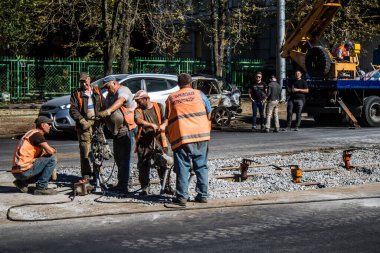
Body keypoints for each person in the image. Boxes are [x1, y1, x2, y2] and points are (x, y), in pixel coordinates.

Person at [162, 73, 212, 207]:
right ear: (191, 83)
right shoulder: (199, 94)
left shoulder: (171, 98)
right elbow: (209, 112)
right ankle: (202, 195)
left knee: (183, 167)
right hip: (201, 135)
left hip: (183, 137)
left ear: (178, 85)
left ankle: (182, 197)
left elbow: (167, 118)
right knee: (201, 165)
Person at [97, 76, 137, 193]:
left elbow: (120, 101)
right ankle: (122, 183)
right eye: (105, 88)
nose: (107, 89)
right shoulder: (109, 95)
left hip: (126, 128)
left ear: (114, 83)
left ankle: (125, 185)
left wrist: (108, 111)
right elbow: (104, 107)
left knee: (124, 158)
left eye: (108, 86)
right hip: (117, 130)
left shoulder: (123, 90)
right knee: (119, 158)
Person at [133, 90, 173, 196]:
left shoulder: (159, 106)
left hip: (159, 140)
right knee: (143, 165)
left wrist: (163, 125)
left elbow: (166, 119)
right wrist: (151, 125)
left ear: (146, 99)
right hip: (144, 141)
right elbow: (138, 120)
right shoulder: (138, 110)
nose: (137, 103)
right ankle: (144, 188)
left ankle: (166, 186)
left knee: (163, 164)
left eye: (139, 101)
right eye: (136, 101)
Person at [69, 72, 104, 183]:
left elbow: (103, 104)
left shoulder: (97, 91)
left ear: (89, 80)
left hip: (97, 124)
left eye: (85, 81)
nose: (83, 83)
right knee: (85, 150)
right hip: (84, 126)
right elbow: (73, 109)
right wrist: (82, 120)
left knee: (98, 149)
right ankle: (86, 174)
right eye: (81, 82)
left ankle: (97, 173)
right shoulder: (77, 93)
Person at [11, 116, 58, 195]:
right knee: (52, 159)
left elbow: (41, 154)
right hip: (24, 171)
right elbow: (50, 151)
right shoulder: (37, 134)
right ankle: (42, 187)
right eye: (49, 124)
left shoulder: (32, 134)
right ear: (43, 125)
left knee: (47, 161)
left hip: (17, 172)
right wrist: (53, 150)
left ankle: (21, 183)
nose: (50, 126)